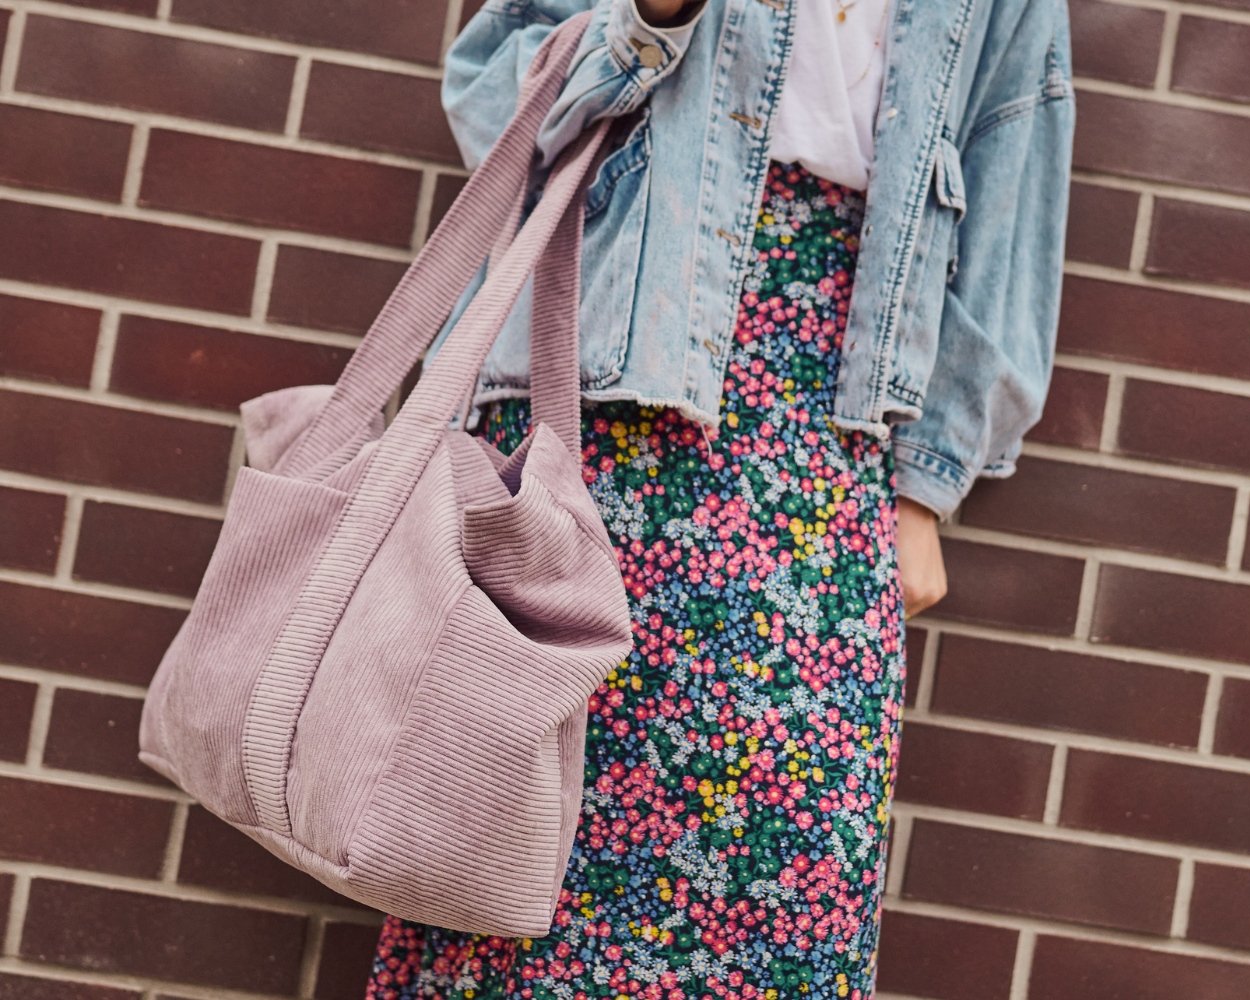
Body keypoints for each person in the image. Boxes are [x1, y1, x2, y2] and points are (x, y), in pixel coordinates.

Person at [367, 0, 1073, 995]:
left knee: (789, 862)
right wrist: (644, 24)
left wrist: (928, 484)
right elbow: (495, 95)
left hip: (829, 434)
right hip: (598, 403)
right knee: (522, 831)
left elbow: (1015, 193)